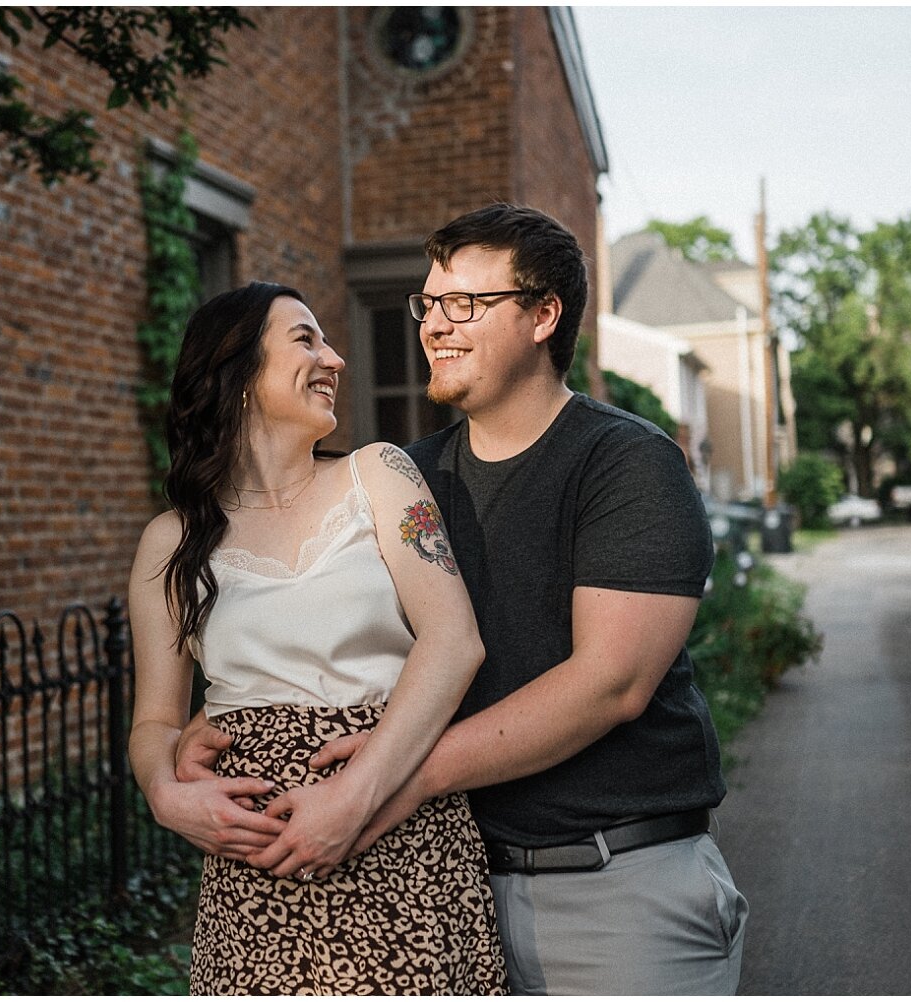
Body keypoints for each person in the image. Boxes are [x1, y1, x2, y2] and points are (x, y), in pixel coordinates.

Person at [178, 205, 748, 994]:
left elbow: (611, 684)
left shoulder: (625, 463)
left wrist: (389, 780)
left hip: (615, 886)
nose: (434, 326)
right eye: (427, 304)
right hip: (445, 892)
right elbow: (340, 635)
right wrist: (229, 721)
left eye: (465, 305)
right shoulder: (406, 478)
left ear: (544, 315)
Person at [126, 282, 507, 994]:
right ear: (234, 372)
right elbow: (154, 720)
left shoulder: (379, 475)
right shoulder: (169, 545)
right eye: (306, 339)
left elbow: (454, 643)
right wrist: (163, 793)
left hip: (396, 836)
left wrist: (353, 799)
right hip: (254, 868)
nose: (334, 358)